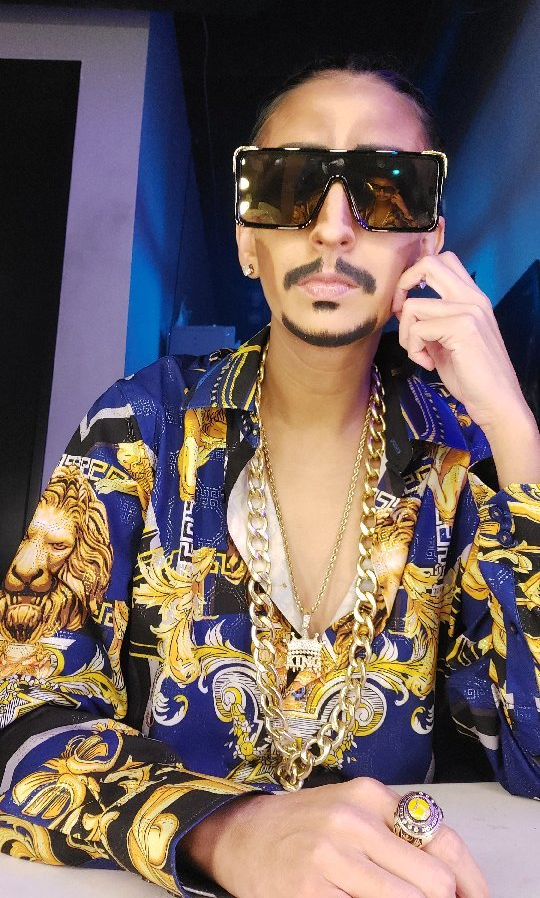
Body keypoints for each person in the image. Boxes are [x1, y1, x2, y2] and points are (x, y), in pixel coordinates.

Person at [0, 57, 539, 898]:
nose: (333, 228)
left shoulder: (464, 461)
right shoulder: (140, 427)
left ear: (428, 242)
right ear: (248, 240)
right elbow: (19, 708)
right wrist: (227, 832)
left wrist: (516, 431)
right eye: (289, 184)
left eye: (384, 189)